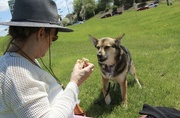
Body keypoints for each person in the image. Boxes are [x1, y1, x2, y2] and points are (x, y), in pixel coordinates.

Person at [0, 0, 94, 118]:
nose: (51, 43)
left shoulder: (22, 60)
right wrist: (75, 82)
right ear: (41, 33)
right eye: (53, 37)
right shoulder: (16, 73)